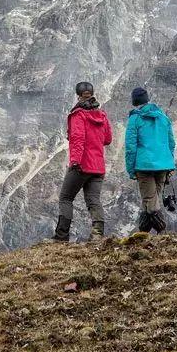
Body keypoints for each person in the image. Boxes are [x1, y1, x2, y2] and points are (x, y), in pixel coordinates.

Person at [53, 81, 113, 242]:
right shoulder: (102, 115)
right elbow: (107, 139)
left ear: (78, 95)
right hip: (98, 166)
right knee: (93, 200)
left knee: (66, 198)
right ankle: (97, 234)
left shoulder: (78, 115)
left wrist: (75, 161)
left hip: (82, 164)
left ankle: (61, 236)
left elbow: (78, 139)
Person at [125, 86, 176, 233]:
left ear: (134, 102)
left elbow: (130, 147)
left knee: (151, 202)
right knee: (152, 199)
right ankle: (143, 233)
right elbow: (171, 143)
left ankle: (163, 232)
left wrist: (131, 169)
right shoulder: (163, 118)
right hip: (163, 166)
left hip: (144, 166)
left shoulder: (135, 119)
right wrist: (170, 164)